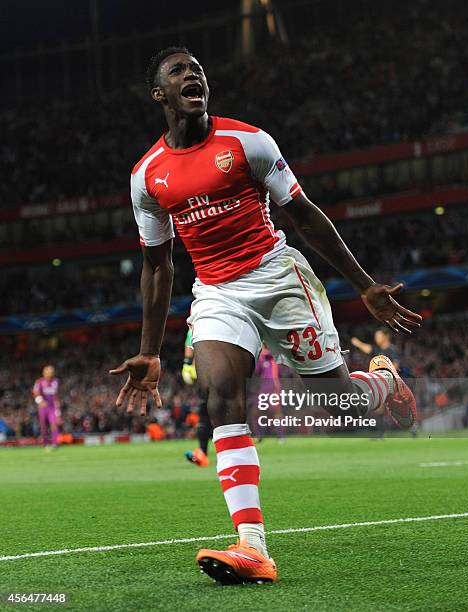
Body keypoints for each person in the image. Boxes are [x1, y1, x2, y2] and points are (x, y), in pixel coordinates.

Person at [110, 47, 422, 585]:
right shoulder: (147, 177)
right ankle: (253, 546)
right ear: (159, 94)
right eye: (180, 72)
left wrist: (364, 286)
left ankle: (380, 382)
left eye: (199, 70)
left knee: (339, 411)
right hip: (215, 292)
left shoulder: (248, 142)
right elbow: (157, 266)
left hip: (276, 278)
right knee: (221, 397)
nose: (194, 76)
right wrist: (149, 348)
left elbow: (302, 213)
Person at [351, 328, 401, 437]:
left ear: (386, 336)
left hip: (392, 382)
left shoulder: (391, 350)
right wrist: (358, 343)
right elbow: (369, 349)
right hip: (382, 383)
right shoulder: (379, 351)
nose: (376, 338)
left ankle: (412, 429)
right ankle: (381, 433)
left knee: (398, 409)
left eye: (378, 336)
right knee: (380, 408)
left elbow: (396, 365)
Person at [182, 327, 212, 467]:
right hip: (221, 372)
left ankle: (203, 453)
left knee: (205, 413)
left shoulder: (197, 322)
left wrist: (187, 364)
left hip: (205, 373)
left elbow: (190, 342)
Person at [32, 365, 60, 450]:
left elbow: (56, 396)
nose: (50, 374)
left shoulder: (56, 381)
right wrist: (40, 401)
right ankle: (45, 443)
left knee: (54, 424)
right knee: (43, 426)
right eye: (49, 372)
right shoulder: (39, 382)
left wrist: (58, 411)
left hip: (52, 407)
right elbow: (35, 392)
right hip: (43, 408)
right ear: (44, 373)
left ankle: (55, 443)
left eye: (52, 372)